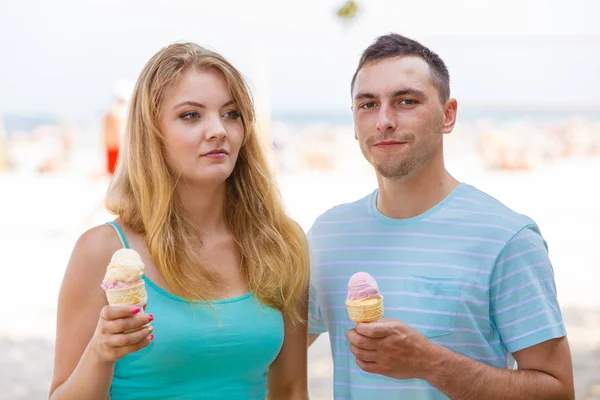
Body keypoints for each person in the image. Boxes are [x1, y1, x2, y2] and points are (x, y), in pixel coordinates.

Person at [307, 33, 574, 399]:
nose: (384, 120)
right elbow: (267, 351)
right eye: (368, 105)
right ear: (354, 123)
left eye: (406, 101)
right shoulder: (328, 235)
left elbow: (558, 391)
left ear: (448, 116)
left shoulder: (506, 238)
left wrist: (432, 363)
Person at [49, 42, 309, 400]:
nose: (218, 130)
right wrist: (100, 353)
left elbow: (291, 390)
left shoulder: (281, 242)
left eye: (231, 114)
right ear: (152, 133)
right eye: (191, 115)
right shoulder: (101, 250)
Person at [102, 80, 132, 176]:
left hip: (110, 146)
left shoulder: (109, 113)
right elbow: (119, 133)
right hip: (116, 147)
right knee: (116, 174)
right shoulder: (116, 113)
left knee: (112, 175)